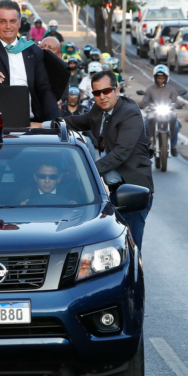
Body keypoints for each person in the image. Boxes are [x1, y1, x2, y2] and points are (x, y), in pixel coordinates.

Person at [62, 70, 153, 247]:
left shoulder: (130, 113)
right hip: (110, 191)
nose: (102, 96)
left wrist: (87, 173)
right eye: (97, 93)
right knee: (109, 248)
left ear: (117, 90)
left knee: (131, 247)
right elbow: (77, 122)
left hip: (132, 191)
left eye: (107, 91)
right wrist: (46, 124)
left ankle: (134, 275)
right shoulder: (99, 110)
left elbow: (120, 153)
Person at [0, 0, 62, 123]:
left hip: (29, 123)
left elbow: (44, 89)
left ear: (19, 24)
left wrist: (56, 121)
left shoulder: (33, 51)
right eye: (2, 21)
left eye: (13, 21)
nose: (8, 26)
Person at [139, 64, 181, 156]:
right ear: (155, 78)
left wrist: (179, 104)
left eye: (162, 78)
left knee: (177, 124)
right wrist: (140, 104)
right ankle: (148, 144)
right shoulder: (150, 89)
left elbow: (175, 101)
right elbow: (145, 101)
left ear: (166, 78)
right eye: (158, 78)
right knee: (145, 123)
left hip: (168, 112)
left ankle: (173, 146)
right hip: (153, 112)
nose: (160, 80)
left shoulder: (171, 89)